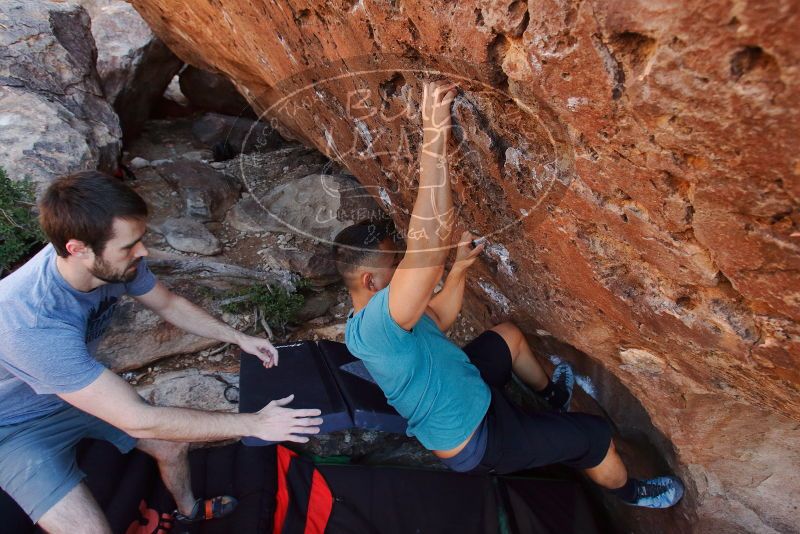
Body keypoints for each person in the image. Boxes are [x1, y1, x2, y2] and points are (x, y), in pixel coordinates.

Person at [334, 80, 684, 508]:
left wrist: (459, 269)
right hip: (479, 439)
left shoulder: (384, 321)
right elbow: (429, 240)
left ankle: (551, 398)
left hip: (465, 392)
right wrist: (432, 133)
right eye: (398, 265)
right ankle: (632, 493)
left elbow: (440, 319)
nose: (408, 267)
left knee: (508, 337)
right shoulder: (375, 329)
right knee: (594, 437)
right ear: (370, 281)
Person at [0, 172, 322, 533]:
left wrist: (237, 338)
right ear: (77, 249)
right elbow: (135, 418)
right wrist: (255, 423)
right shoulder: (27, 323)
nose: (143, 252)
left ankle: (188, 510)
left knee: (171, 446)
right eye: (129, 246)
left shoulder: (110, 263)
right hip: (11, 430)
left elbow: (168, 304)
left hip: (68, 394)